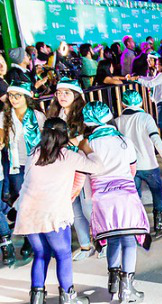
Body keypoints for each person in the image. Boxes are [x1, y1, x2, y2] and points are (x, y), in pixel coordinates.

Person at [13, 118, 103, 304]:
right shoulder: (68, 155)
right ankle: (68, 300)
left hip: (28, 213)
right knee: (62, 255)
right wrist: (86, 147)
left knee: (41, 254)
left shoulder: (34, 153)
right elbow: (97, 167)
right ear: (65, 135)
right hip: (52, 213)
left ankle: (36, 302)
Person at [83, 101, 151, 304]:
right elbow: (132, 170)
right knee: (129, 241)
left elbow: (86, 176)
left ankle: (113, 281)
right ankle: (127, 289)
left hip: (101, 199)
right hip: (125, 196)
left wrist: (90, 200)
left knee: (112, 239)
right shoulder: (124, 141)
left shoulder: (87, 145)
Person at [45, 78, 97, 261]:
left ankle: (102, 242)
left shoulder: (84, 114)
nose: (62, 96)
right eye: (59, 92)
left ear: (76, 95)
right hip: (61, 167)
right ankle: (85, 245)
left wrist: (76, 140)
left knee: (88, 206)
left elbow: (91, 133)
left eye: (67, 92)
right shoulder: (54, 115)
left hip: (81, 165)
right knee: (73, 207)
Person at [114, 90, 162, 238]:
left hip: (129, 166)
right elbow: (156, 139)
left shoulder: (117, 121)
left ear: (123, 103)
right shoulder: (146, 118)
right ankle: (159, 223)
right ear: (141, 102)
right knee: (156, 191)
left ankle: (137, 224)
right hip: (148, 164)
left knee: (134, 196)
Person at [0, 81, 46, 261]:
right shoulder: (4, 116)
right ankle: (29, 239)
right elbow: (1, 136)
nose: (13, 99)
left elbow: (45, 140)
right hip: (17, 166)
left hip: (37, 163)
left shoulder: (37, 115)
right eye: (11, 96)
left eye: (17, 96)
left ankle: (43, 236)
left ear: (26, 97)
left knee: (38, 200)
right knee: (23, 202)